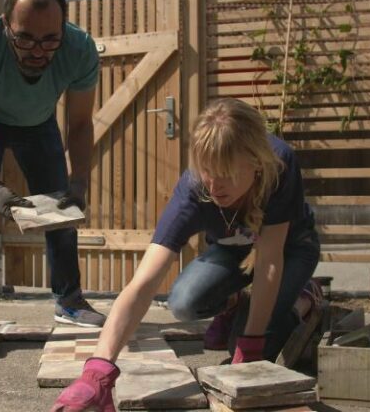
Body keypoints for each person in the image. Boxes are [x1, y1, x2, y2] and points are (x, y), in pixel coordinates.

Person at [50, 98, 322, 411]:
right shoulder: (193, 190)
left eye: (226, 173)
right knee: (183, 301)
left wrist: (250, 346)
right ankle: (235, 303)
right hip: (234, 249)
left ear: (256, 163)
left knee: (252, 344)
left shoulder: (280, 164)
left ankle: (305, 297)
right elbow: (143, 283)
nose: (214, 186)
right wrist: (98, 371)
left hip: (290, 249)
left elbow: (270, 260)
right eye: (208, 171)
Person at [0, 0, 106, 359]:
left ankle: (69, 299)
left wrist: (79, 181)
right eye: (25, 39)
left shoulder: (80, 49)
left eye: (50, 40)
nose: (38, 51)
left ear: (63, 29)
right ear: (6, 25)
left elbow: (80, 124)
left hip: (38, 121)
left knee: (61, 204)